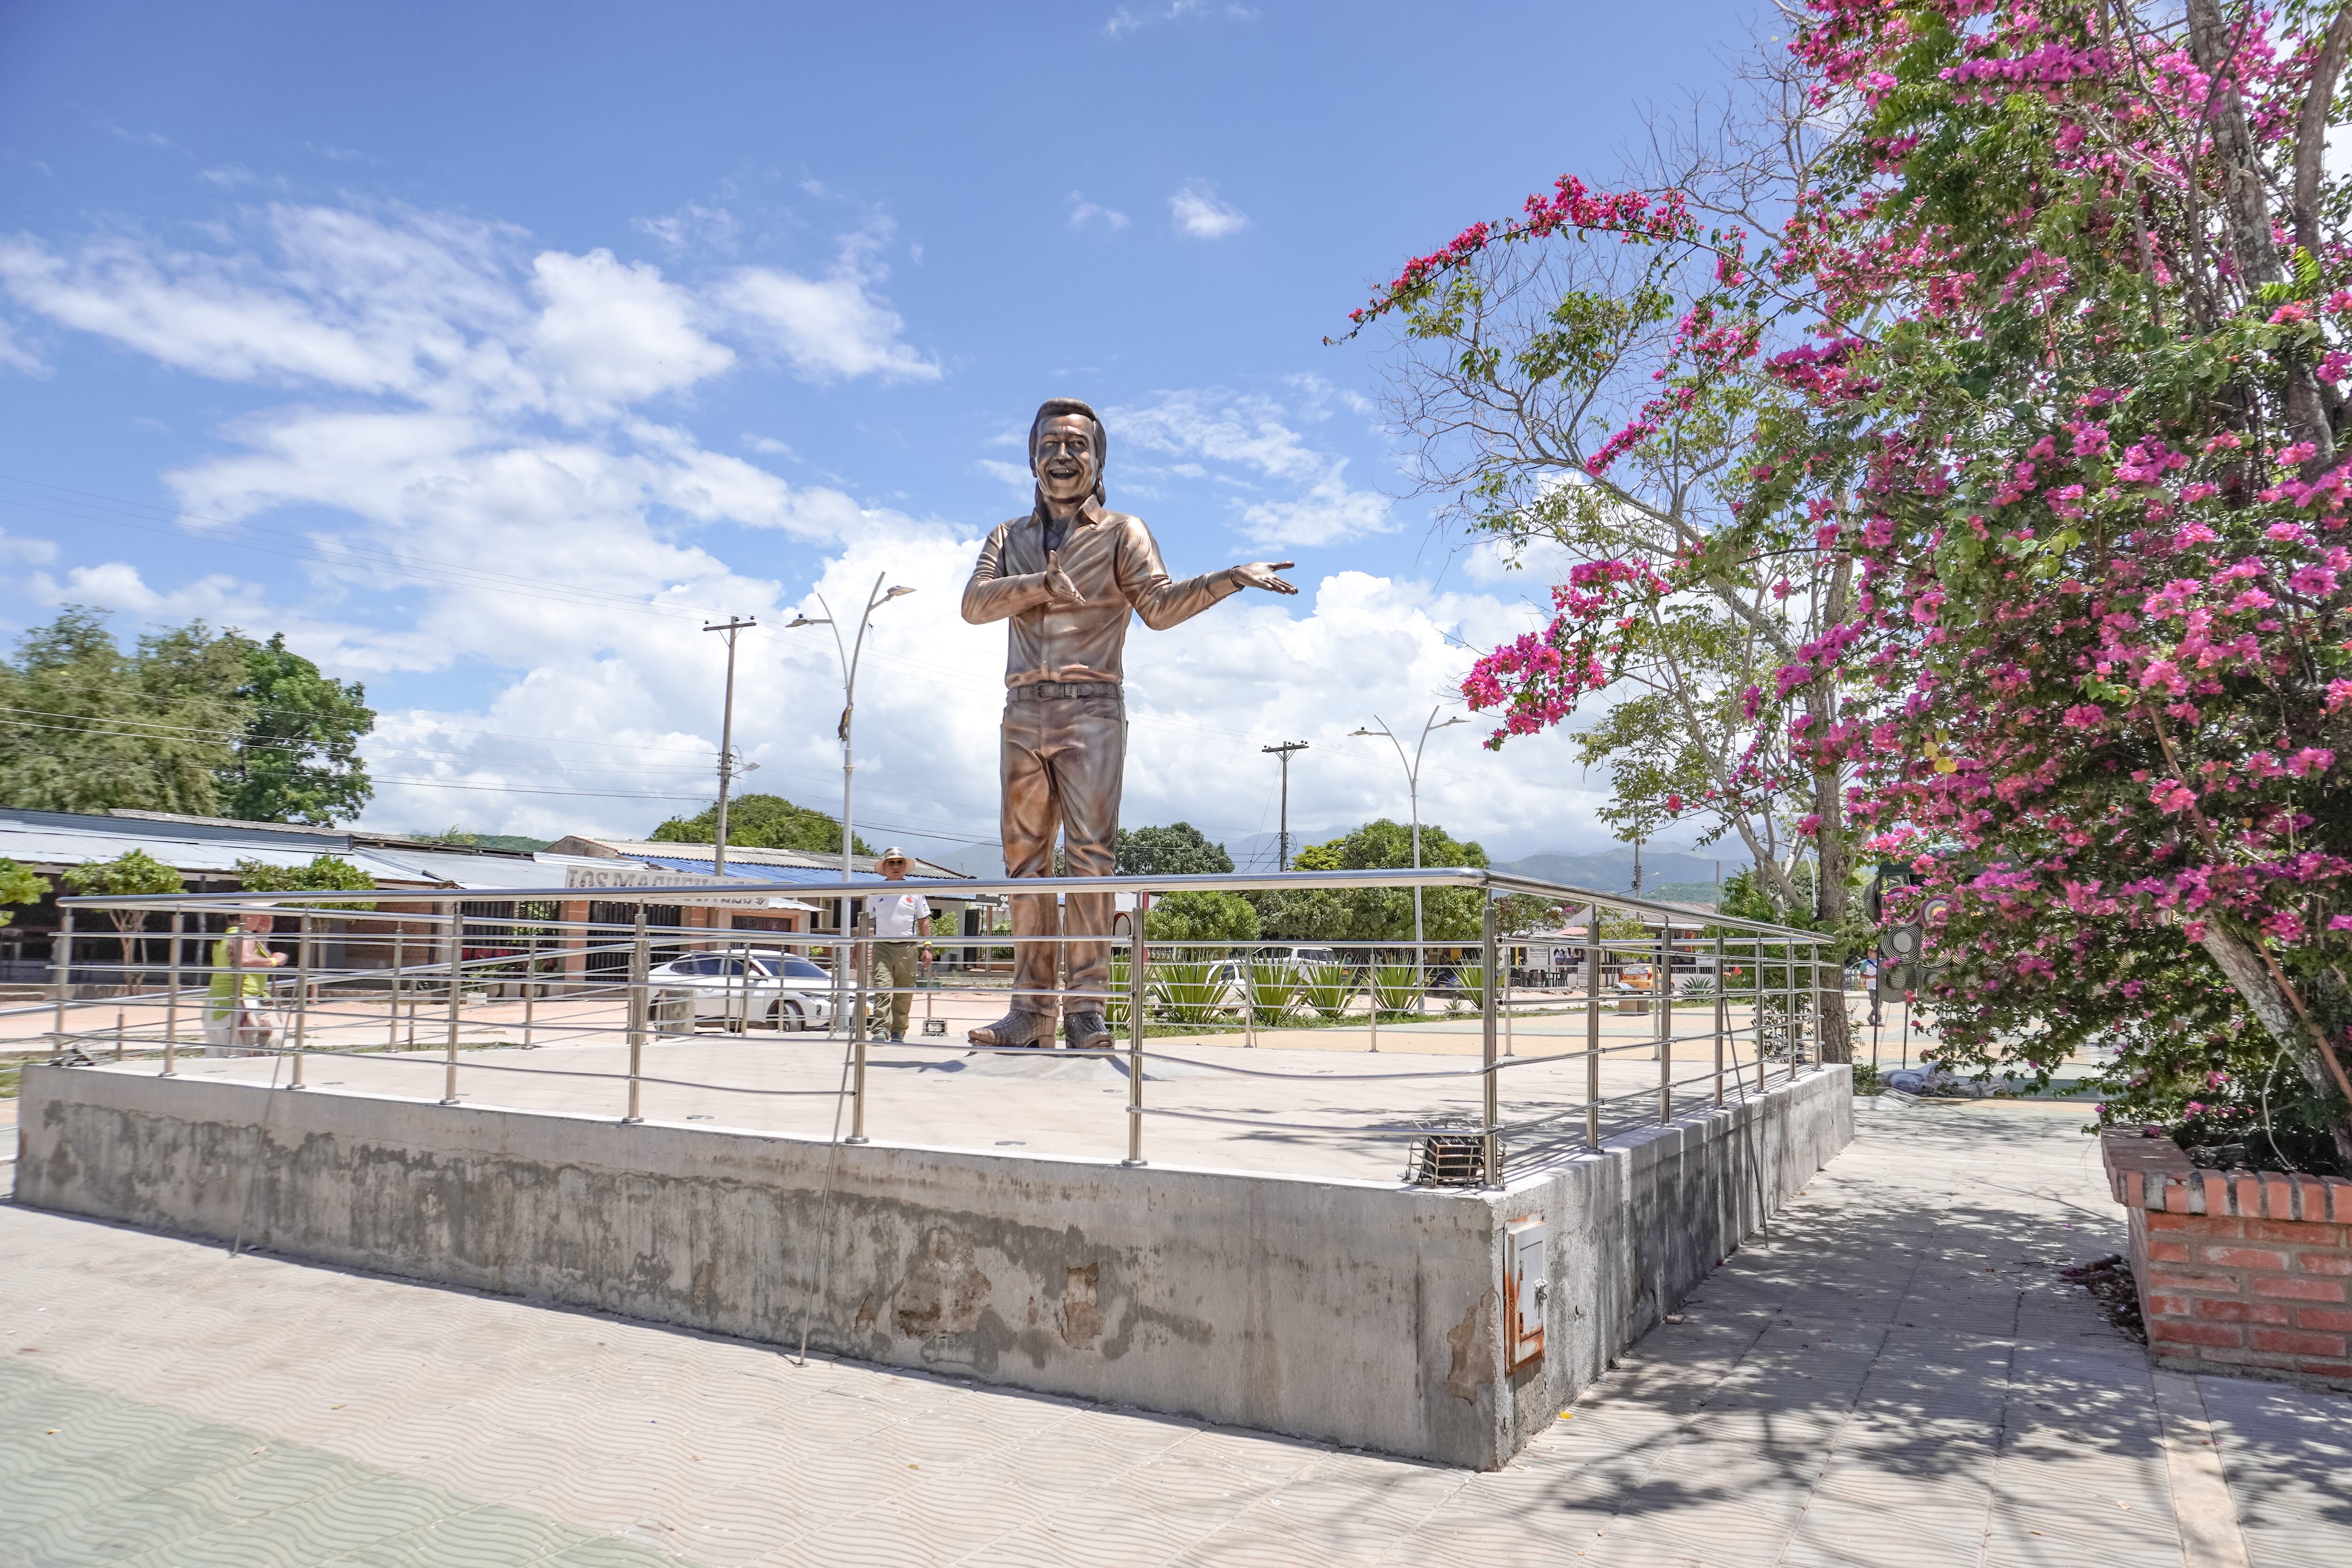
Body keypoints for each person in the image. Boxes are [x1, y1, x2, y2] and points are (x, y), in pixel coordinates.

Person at [960, 396, 1296, 1049]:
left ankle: (1086, 1010)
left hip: (1093, 711)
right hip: (1023, 708)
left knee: (1091, 862)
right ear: (1032, 457)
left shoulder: (1122, 531)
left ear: (1098, 459)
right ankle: (1030, 1012)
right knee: (1023, 865)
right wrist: (1039, 586)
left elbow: (1160, 608)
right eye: (1052, 443)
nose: (1064, 455)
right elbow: (974, 605)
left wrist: (1230, 577)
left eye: (1078, 445)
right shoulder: (1008, 537)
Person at [866, 847, 931, 1043]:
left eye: (900, 862)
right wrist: (857, 947)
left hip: (908, 948)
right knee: (882, 989)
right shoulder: (875, 893)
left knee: (904, 992)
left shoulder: (915, 892)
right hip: (882, 947)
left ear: (905, 867)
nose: (896, 866)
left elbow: (923, 921)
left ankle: (898, 1031)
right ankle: (880, 1030)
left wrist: (927, 948)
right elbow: (867, 922)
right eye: (891, 863)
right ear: (884, 867)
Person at [204, 909, 286, 1055]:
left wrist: (263, 936)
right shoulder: (244, 935)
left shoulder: (224, 937)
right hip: (238, 1007)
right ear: (246, 915)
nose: (262, 917)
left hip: (216, 1006)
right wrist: (275, 960)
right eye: (259, 913)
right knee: (243, 1063)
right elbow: (246, 960)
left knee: (217, 1062)